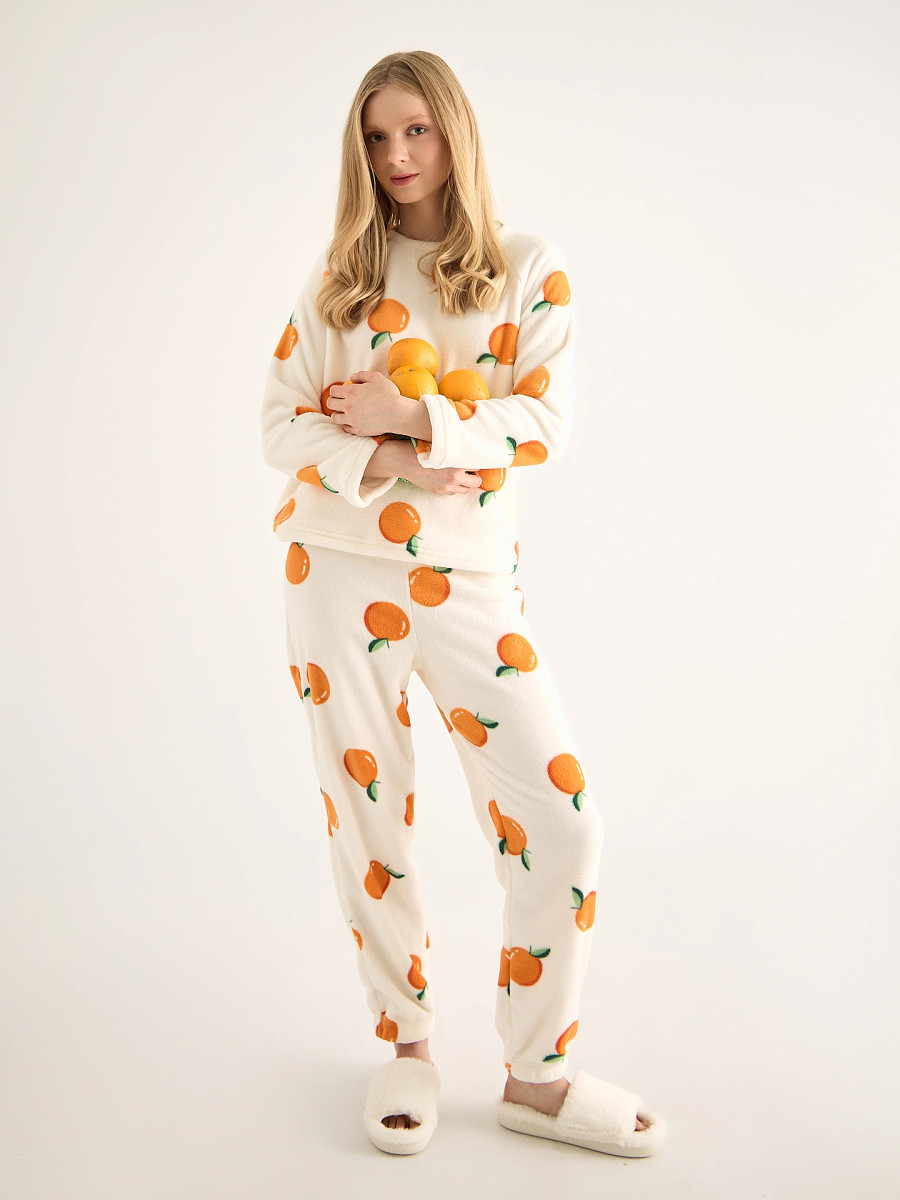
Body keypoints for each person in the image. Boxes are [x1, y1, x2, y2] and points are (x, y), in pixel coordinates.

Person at [260, 49, 666, 1157]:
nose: (396, 156)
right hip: (334, 566)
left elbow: (542, 425)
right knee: (369, 812)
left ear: (454, 133)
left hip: (471, 580)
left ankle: (538, 1076)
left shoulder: (527, 268)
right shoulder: (339, 277)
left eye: (416, 131)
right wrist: (397, 456)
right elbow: (281, 425)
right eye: (377, 137)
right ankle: (406, 1044)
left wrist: (410, 416)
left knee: (562, 822)